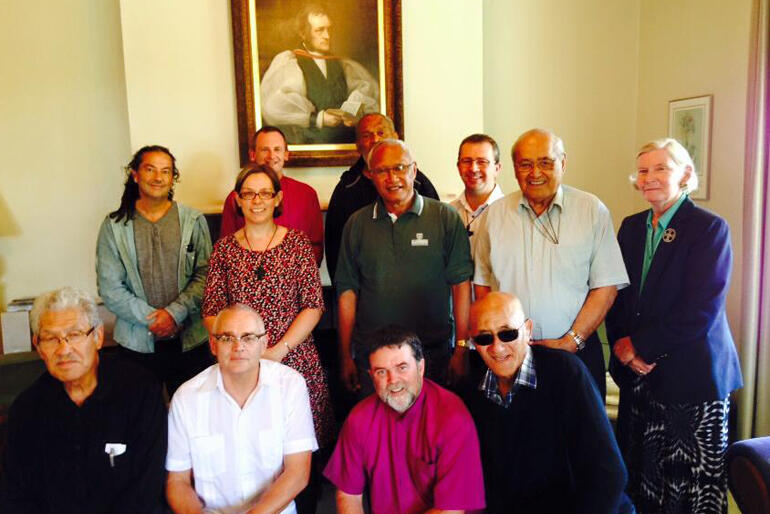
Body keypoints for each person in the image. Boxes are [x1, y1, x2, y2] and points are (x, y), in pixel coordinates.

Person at [606, 138, 743, 513]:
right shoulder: (631, 227)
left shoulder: (709, 228)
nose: (649, 177)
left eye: (660, 168)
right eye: (644, 170)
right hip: (641, 378)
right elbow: (615, 292)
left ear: (684, 174)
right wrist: (621, 343)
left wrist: (641, 347)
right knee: (644, 480)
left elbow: (701, 307)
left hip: (693, 378)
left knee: (690, 488)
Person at [202, 164, 333, 513]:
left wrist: (277, 351)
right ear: (237, 201)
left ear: (278, 198)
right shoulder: (224, 250)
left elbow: (313, 305)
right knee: (248, 449)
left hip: (294, 359)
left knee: (299, 455)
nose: (256, 200)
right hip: (239, 366)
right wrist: (239, 349)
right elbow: (212, 310)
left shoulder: (297, 243)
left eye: (264, 193)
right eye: (248, 193)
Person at [473, 128, 629, 399]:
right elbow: (483, 284)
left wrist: (572, 341)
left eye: (545, 162)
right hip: (511, 359)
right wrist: (497, 344)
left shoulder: (592, 211)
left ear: (563, 163)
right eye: (526, 164)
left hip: (577, 353)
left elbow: (606, 286)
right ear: (514, 168)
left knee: (579, 438)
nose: (535, 173)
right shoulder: (494, 215)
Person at [0, 287, 167, 513]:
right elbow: (16, 495)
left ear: (97, 337)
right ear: (38, 347)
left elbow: (148, 486)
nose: (64, 349)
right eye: (51, 338)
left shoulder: (140, 391)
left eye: (75, 334)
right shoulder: (26, 410)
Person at [464, 292, 628, 513]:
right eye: (484, 338)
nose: (497, 347)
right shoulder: (471, 390)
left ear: (528, 330)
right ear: (473, 342)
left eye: (508, 334)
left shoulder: (566, 373)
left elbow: (609, 474)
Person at [335, 139, 473, 393]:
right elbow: (347, 293)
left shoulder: (445, 218)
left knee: (432, 429)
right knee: (377, 431)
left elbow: (461, 286)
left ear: (414, 170)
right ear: (370, 175)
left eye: (399, 167)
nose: (392, 178)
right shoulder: (356, 224)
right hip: (373, 357)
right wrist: (345, 356)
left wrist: (462, 349)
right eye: (382, 171)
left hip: (432, 354)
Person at [166, 303, 317, 514]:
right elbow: (177, 481)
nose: (239, 347)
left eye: (248, 337)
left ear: (264, 343)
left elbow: (298, 472)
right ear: (212, 344)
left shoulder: (290, 385)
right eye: (227, 338)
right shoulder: (186, 398)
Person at [324, 325, 485, 514]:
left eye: (402, 367)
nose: (393, 380)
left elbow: (450, 511)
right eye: (381, 372)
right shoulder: (358, 419)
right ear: (371, 377)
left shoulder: (453, 417)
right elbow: (348, 495)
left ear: (421, 367)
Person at [96, 145, 213, 396]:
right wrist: (154, 320)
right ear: (135, 174)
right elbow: (110, 287)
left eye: (166, 171)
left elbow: (206, 275)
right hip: (135, 344)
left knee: (194, 419)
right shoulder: (114, 226)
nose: (158, 178)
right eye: (150, 169)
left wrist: (174, 314)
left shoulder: (193, 220)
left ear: (173, 178)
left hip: (190, 340)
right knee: (141, 420)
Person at [325, 113, 440, 282]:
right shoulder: (347, 189)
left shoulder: (419, 183)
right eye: (366, 135)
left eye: (381, 133)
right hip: (366, 291)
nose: (375, 140)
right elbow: (335, 249)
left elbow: (438, 237)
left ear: (395, 137)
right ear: (357, 145)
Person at [260, 3, 379, 144]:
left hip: (346, 146)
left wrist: (354, 113)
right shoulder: (291, 63)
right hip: (309, 145)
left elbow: (368, 92)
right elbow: (274, 106)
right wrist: (319, 118)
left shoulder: (343, 64)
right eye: (320, 30)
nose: (327, 36)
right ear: (303, 33)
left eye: (329, 29)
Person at [219, 126, 324, 266]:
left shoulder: (307, 194)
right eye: (264, 150)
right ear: (252, 154)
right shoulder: (236, 198)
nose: (271, 156)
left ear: (286, 154)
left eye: (277, 149)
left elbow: (316, 248)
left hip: (294, 280)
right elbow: (226, 250)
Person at [449, 133, 505, 255]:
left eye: (482, 162)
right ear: (458, 167)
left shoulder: (511, 214)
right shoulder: (448, 214)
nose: (473, 168)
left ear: (497, 168)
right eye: (467, 161)